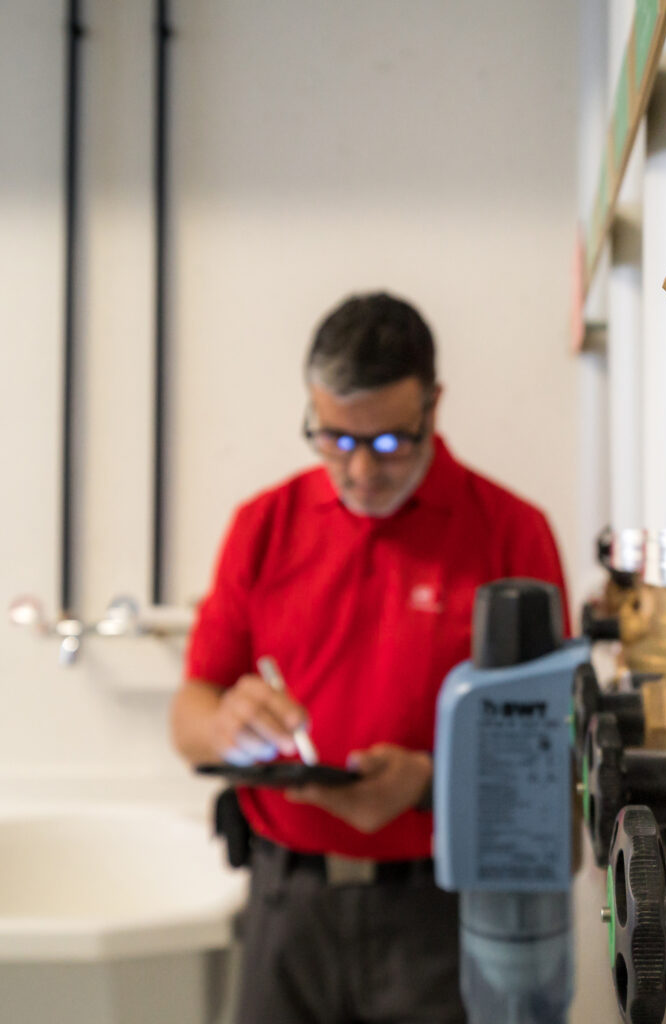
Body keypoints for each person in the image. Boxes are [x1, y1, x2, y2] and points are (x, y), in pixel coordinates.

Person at [170, 292, 569, 1024]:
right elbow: (189, 715)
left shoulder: (511, 535)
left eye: (388, 444)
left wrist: (427, 783)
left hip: (438, 914)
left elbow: (552, 760)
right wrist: (229, 721)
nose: (358, 472)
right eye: (332, 439)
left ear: (433, 406)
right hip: (285, 909)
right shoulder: (263, 526)